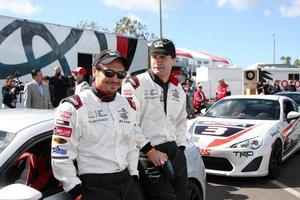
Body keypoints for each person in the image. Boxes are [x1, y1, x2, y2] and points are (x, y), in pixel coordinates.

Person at [52, 49, 142, 200]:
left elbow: (133, 143)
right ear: (95, 71)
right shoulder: (73, 106)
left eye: (120, 74)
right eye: (109, 73)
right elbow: (60, 152)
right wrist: (76, 191)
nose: (115, 79)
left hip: (126, 182)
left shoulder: (128, 104)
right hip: (95, 185)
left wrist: (133, 174)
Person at [122, 38, 189, 200]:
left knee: (183, 196)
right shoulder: (135, 84)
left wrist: (180, 148)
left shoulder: (177, 87)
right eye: (154, 57)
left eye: (163, 57)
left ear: (173, 59)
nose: (158, 61)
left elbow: (181, 120)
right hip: (146, 152)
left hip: (173, 150)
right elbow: (129, 123)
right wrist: (149, 151)